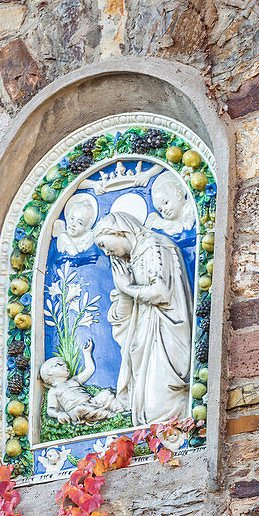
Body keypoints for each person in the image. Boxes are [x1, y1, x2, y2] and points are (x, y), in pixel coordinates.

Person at [93, 211, 192, 426]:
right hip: (146, 335)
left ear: (120, 231)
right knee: (148, 405)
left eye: (103, 243)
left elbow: (161, 292)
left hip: (165, 332)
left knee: (159, 407)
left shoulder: (154, 245)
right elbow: (127, 311)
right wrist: (123, 290)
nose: (105, 251)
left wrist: (127, 287)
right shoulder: (133, 259)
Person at [39, 339, 123, 425]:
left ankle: (122, 411)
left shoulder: (74, 380)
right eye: (59, 364)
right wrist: (59, 414)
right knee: (80, 409)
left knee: (107, 394)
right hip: (76, 410)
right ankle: (110, 415)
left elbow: (90, 370)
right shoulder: (54, 390)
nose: (65, 366)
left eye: (65, 364)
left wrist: (87, 353)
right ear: (49, 373)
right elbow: (51, 408)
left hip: (92, 402)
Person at [145, 171, 195, 236]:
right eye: (160, 210)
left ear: (178, 195)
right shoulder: (169, 228)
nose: (164, 210)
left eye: (166, 203)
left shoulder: (191, 209)